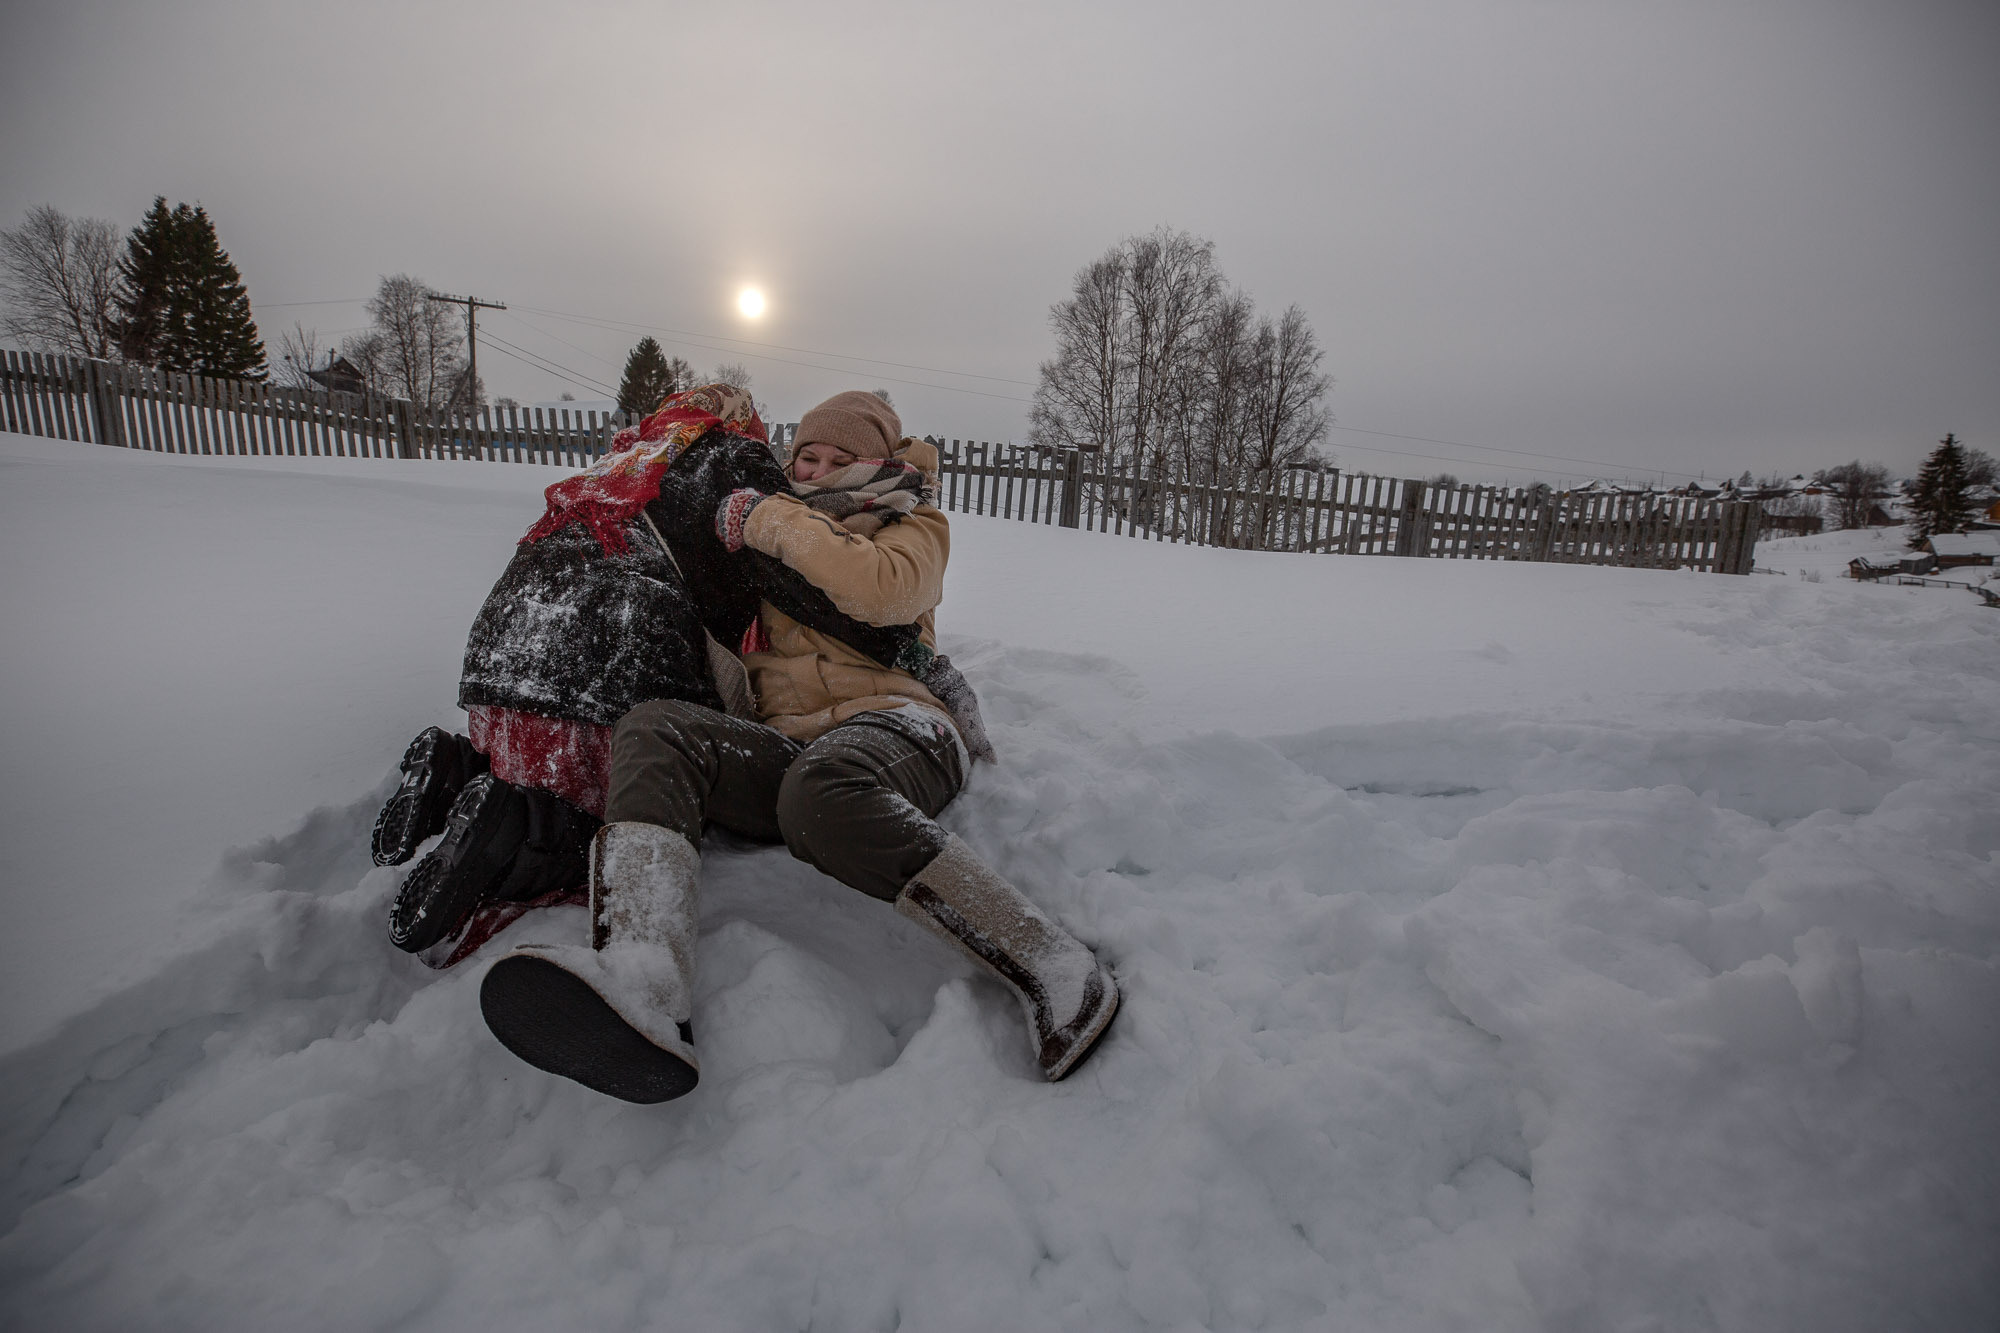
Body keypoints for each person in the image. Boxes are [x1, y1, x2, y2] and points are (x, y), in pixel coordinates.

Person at [476, 391, 1120, 1103]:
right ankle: (645, 978)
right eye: (805, 457)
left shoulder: (913, 521)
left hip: (900, 724)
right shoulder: (763, 545)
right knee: (658, 726)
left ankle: (1051, 960)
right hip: (792, 747)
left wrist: (766, 515)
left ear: (877, 463)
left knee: (822, 794)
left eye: (838, 460)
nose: (815, 471)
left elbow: (881, 589)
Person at [373, 385, 936, 967]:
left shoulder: (646, 451)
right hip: (610, 650)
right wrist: (909, 653)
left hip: (509, 643)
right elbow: (799, 588)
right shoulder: (737, 465)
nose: (808, 472)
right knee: (611, 810)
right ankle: (511, 827)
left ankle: (453, 770)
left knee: (532, 761)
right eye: (804, 457)